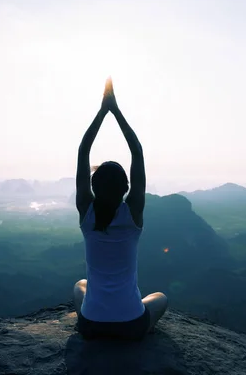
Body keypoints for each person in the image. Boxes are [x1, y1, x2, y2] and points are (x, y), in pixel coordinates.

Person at [73, 77, 168, 340]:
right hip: (131, 326)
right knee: (159, 297)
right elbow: (136, 152)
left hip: (91, 325)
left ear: (93, 186)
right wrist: (115, 110)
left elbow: (83, 151)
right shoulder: (133, 213)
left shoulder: (86, 212)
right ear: (126, 188)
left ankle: (87, 320)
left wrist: (102, 111)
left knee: (80, 286)